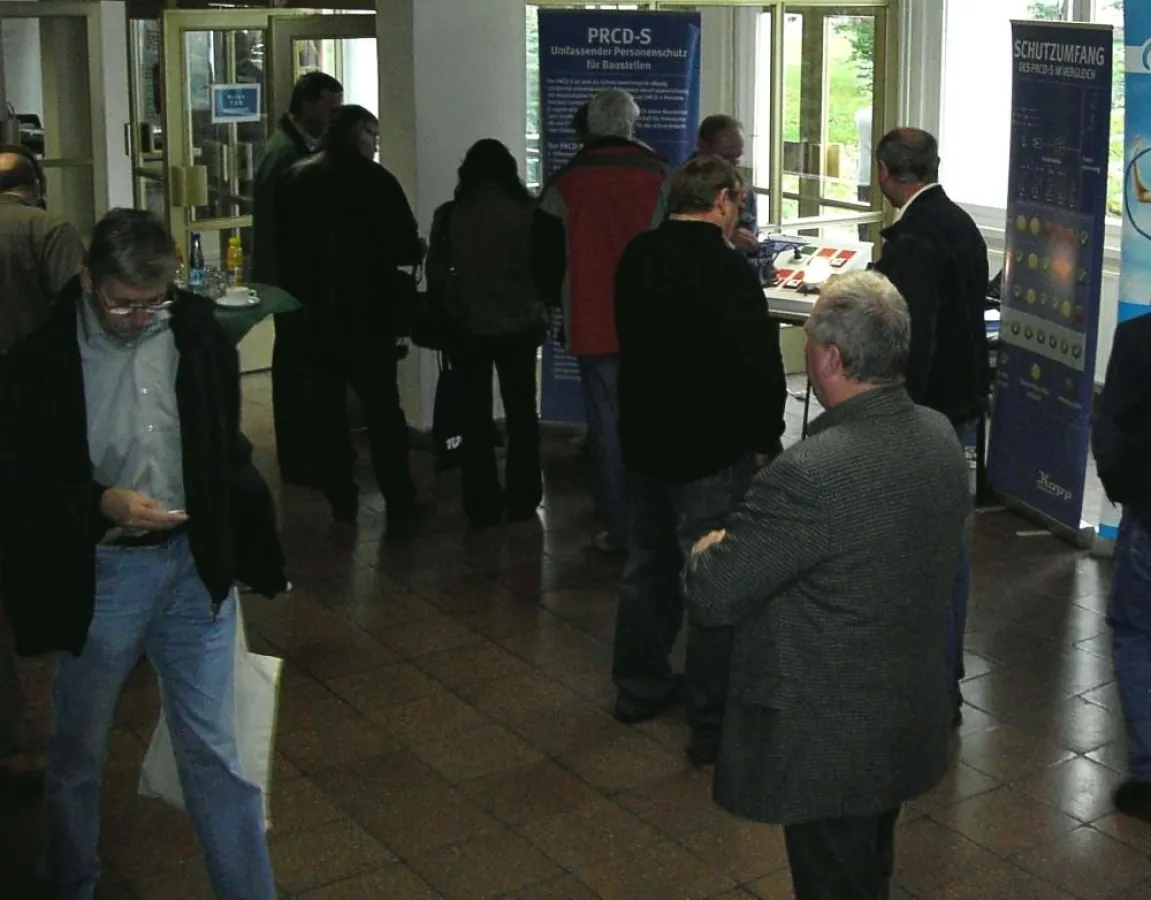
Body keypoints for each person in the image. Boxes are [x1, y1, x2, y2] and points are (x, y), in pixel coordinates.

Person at [0, 209, 288, 898]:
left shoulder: (193, 332)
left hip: (192, 566)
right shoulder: (41, 363)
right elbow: (27, 475)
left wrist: (239, 541)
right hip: (105, 573)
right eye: (120, 305)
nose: (135, 319)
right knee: (79, 747)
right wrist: (101, 501)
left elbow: (226, 446)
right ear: (86, 278)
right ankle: (70, 877)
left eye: (150, 303)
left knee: (215, 754)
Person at [684, 270, 968, 900]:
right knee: (868, 863)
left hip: (828, 737)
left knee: (831, 877)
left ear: (832, 358)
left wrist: (710, 549)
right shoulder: (939, 437)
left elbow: (714, 595)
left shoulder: (810, 474)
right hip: (901, 713)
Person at [612, 156, 787, 766]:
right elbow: (757, 364)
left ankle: (638, 688)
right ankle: (710, 721)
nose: (738, 209)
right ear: (720, 200)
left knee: (646, 567)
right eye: (737, 199)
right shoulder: (728, 271)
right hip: (711, 450)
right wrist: (767, 435)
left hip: (645, 439)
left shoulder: (637, 255)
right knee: (711, 579)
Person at [871, 127, 988, 723]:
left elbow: (915, 337)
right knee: (949, 542)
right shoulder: (961, 223)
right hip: (960, 402)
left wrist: (898, 412)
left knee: (926, 549)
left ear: (887, 173)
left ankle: (931, 686)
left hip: (927, 409)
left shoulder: (913, 237)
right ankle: (943, 680)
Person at [276, 104, 424, 529]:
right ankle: (398, 492)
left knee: (325, 408)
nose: (376, 145)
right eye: (372, 136)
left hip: (314, 313)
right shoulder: (376, 181)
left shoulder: (296, 177)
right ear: (357, 133)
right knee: (382, 408)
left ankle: (340, 492)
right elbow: (403, 245)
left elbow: (282, 244)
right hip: (368, 313)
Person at [536, 88, 670, 553]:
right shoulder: (660, 175)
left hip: (591, 321)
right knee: (654, 420)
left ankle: (620, 529)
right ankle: (658, 524)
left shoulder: (565, 181)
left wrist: (555, 305)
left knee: (607, 428)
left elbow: (546, 260)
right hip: (652, 322)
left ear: (590, 126)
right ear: (633, 124)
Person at [0, 145, 85, 791]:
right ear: (34, 185)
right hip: (31, 410)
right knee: (45, 527)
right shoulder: (47, 230)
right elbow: (73, 317)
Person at [426, 139, 561, 527]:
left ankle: (481, 498)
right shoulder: (533, 214)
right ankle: (523, 494)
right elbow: (549, 271)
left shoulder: (450, 215)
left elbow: (437, 272)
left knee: (474, 412)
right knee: (521, 412)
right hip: (521, 326)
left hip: (467, 326)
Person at [252, 70, 343, 488]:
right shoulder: (284, 154)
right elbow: (281, 226)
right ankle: (298, 455)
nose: (334, 116)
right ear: (307, 105)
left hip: (298, 277)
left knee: (303, 365)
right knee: (295, 368)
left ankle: (309, 449)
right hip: (292, 280)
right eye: (330, 107)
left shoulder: (297, 148)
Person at [1093, 312, 1151, 821]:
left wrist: (1123, 490)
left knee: (1135, 633)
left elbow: (1109, 424)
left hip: (1149, 517)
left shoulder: (1137, 338)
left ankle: (1149, 772)